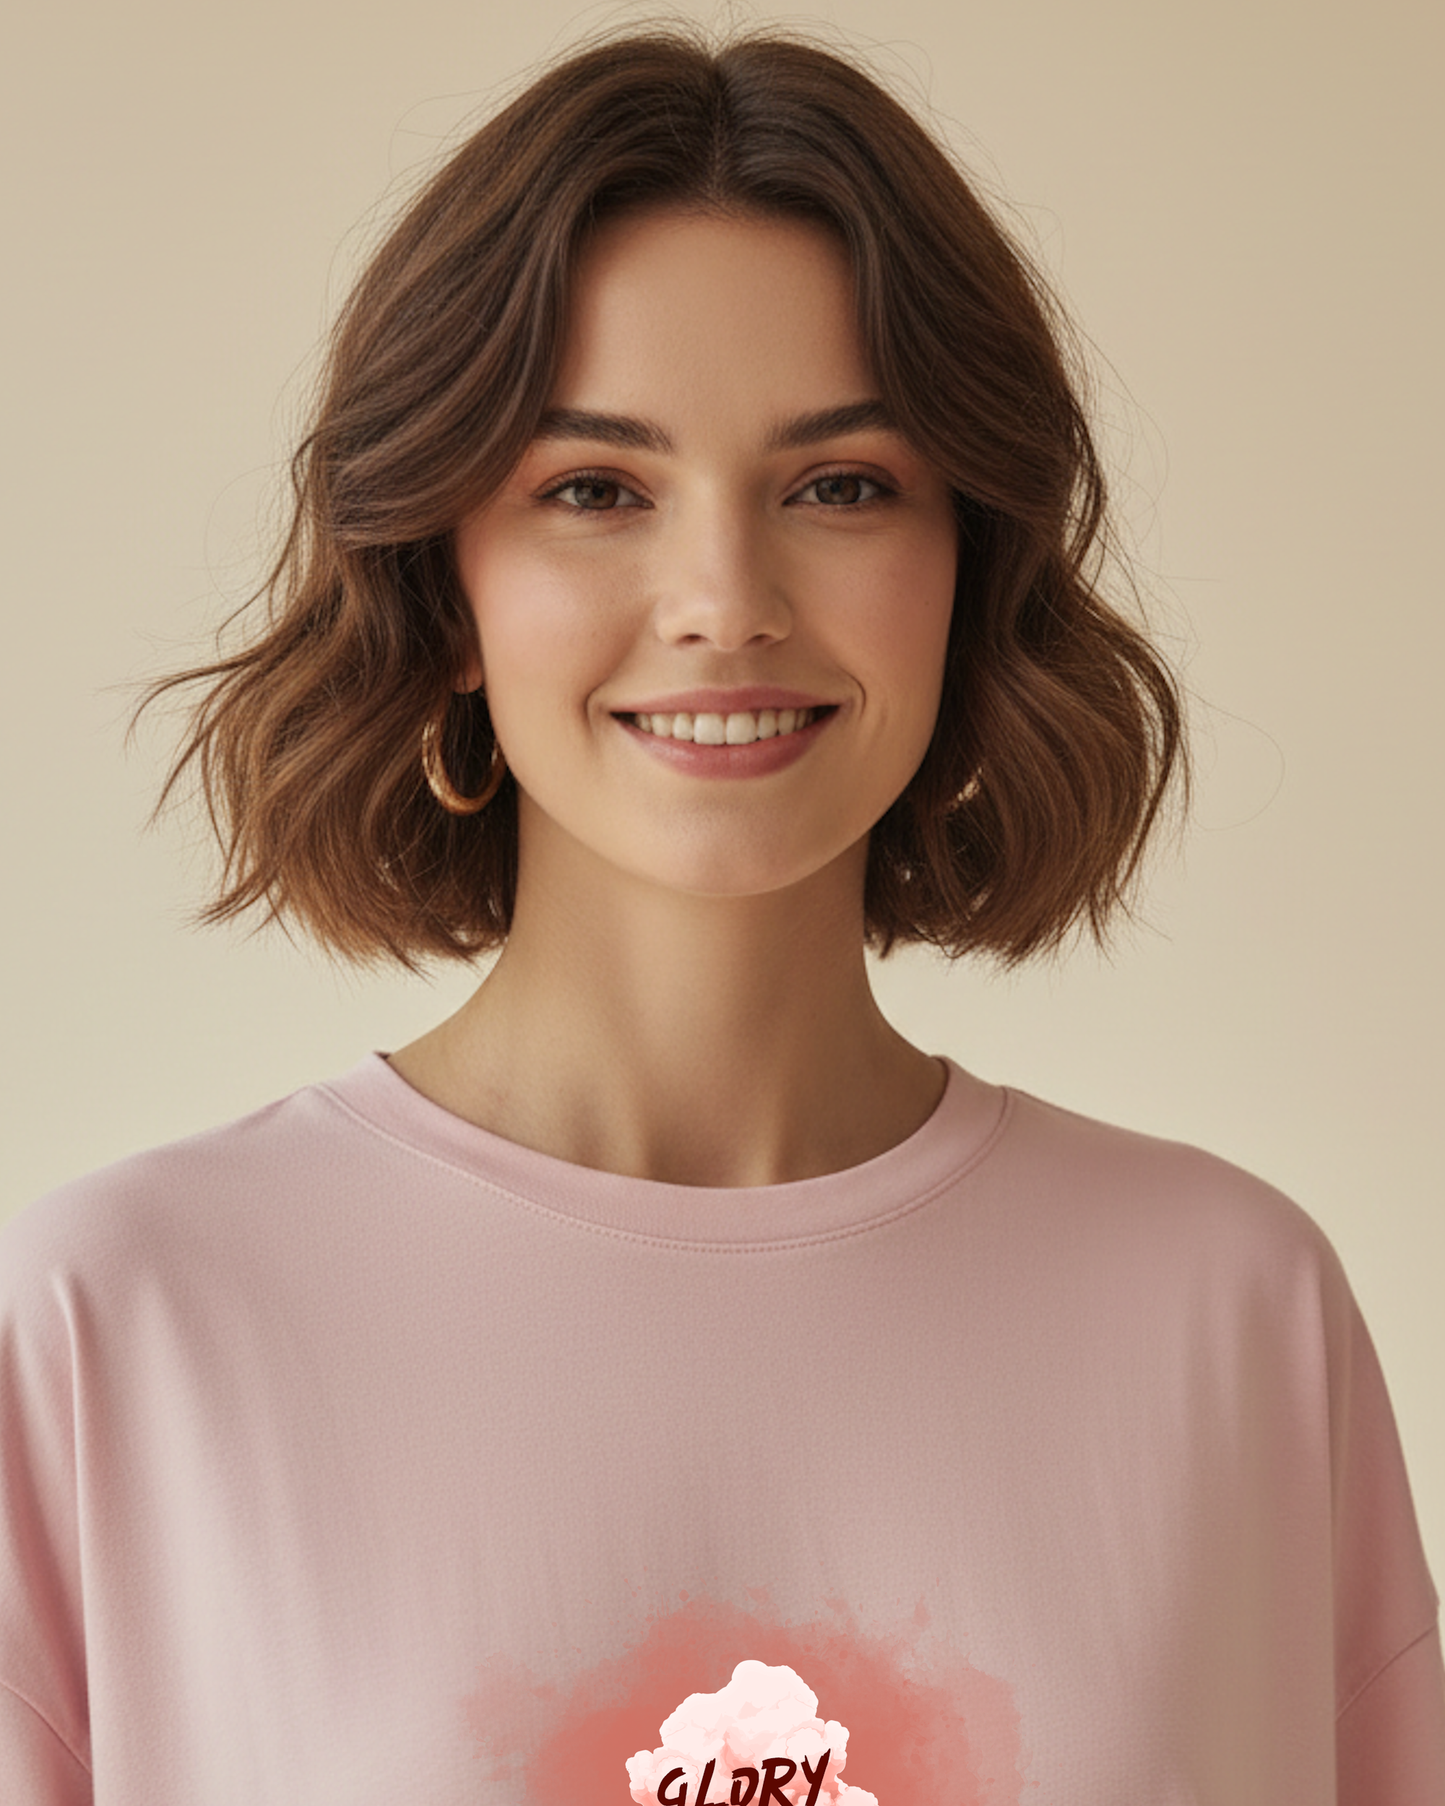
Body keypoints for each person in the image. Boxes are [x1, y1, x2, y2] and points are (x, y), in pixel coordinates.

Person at [1, 21, 1440, 1805]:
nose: (723, 599)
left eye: (839, 486)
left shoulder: (1232, 1319)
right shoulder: (114, 1333)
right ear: (444, 586)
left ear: (964, 568)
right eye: (594, 489)